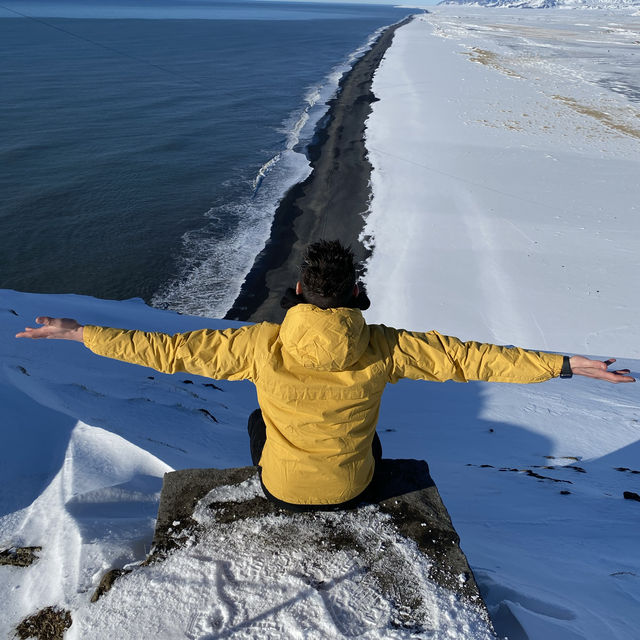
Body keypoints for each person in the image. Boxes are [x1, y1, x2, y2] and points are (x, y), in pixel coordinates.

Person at [16, 240, 634, 511]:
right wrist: (563, 364)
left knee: (262, 418)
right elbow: (473, 358)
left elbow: (164, 351)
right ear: (356, 296)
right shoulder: (386, 347)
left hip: (282, 488)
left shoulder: (260, 343)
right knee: (370, 438)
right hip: (353, 487)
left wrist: (79, 331)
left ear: (300, 291)